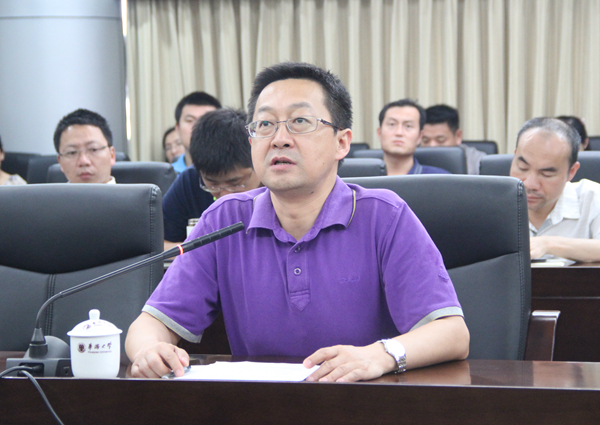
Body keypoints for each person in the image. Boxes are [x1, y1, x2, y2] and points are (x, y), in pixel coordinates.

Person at [126, 62, 469, 382]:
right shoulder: (224, 219)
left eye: (300, 122)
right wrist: (149, 351)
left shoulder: (385, 216)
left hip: (364, 403)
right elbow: (149, 324)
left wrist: (379, 355)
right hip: (261, 406)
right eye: (265, 124)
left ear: (341, 142)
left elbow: (452, 333)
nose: (279, 138)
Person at [162, 108, 261, 250]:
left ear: (258, 162)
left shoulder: (278, 188)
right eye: (213, 184)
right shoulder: (190, 181)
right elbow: (158, 245)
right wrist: (207, 252)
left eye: (235, 183)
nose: (224, 195)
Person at [509, 117, 600, 262]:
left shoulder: (591, 198)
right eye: (523, 168)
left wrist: (548, 244)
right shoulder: (491, 202)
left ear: (571, 172)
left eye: (546, 174)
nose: (530, 184)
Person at [377, 99, 450, 175]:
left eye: (408, 126)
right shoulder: (368, 177)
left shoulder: (439, 177)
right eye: (392, 124)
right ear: (379, 133)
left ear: (420, 136)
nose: (399, 133)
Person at [53, 109, 116, 184]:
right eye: (72, 152)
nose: (83, 161)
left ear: (112, 155)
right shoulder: (47, 192)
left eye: (93, 149)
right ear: (60, 162)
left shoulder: (128, 192)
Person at [422, 104, 486, 175]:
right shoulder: (415, 159)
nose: (432, 146)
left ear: (458, 136)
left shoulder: (478, 162)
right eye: (425, 140)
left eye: (440, 140)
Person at [171, 91, 222, 172]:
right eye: (190, 120)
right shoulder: (167, 175)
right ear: (177, 129)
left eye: (206, 120)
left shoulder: (236, 172)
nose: (197, 127)